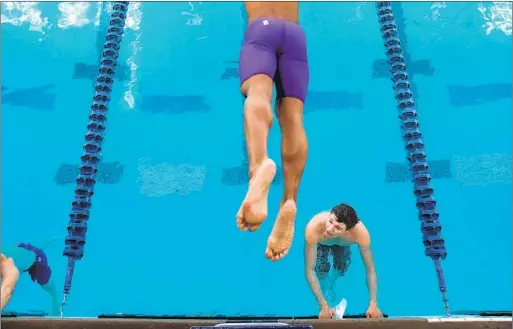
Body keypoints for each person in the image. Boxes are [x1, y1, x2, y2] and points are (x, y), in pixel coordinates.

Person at [235, 1, 309, 262]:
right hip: (295, 36)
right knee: (293, 117)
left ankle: (259, 167)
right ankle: (289, 200)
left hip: (262, 31)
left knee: (258, 92)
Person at [304, 203, 384, 319]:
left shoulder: (360, 234)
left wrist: (373, 303)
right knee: (321, 271)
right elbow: (309, 271)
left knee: (341, 269)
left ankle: (331, 282)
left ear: (347, 231)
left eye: (338, 228)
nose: (330, 229)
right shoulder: (313, 228)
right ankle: (327, 288)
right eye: (330, 221)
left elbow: (370, 269)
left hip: (343, 244)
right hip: (321, 243)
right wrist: (323, 306)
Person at [1, 240, 59, 315]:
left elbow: (8, 289)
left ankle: (56, 302)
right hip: (21, 250)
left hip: (36, 258)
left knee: (48, 286)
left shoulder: (11, 267)